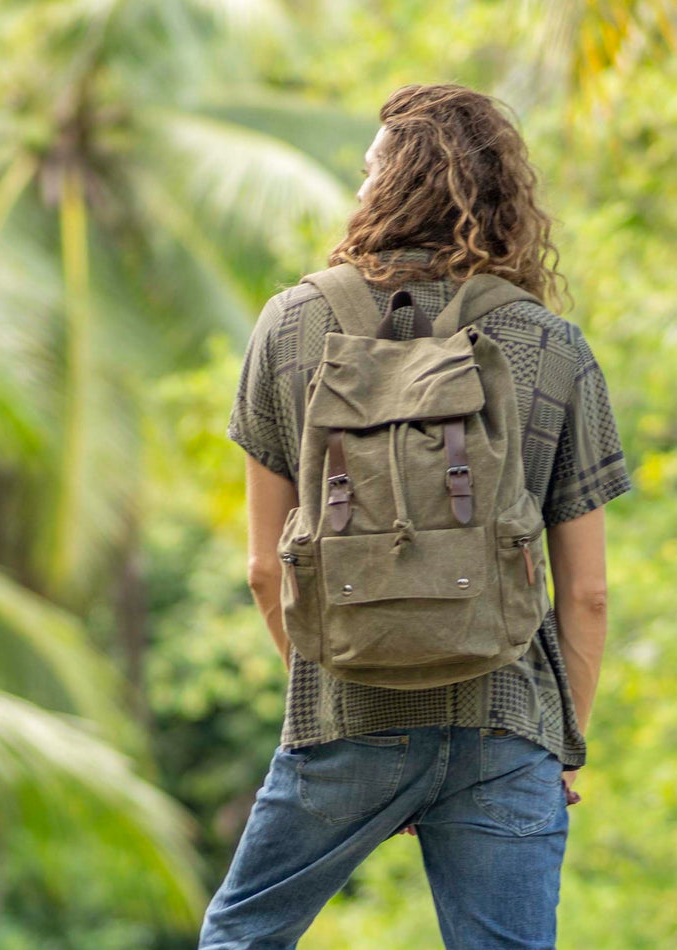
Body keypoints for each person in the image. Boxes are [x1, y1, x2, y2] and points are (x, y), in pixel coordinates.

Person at [199, 82, 631, 950]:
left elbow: (260, 568)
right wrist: (559, 744)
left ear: (387, 187)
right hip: (506, 719)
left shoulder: (290, 327)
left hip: (343, 716)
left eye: (367, 171)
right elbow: (585, 594)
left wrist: (341, 695)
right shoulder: (550, 346)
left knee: (241, 938)